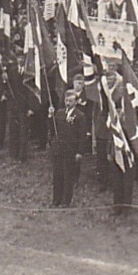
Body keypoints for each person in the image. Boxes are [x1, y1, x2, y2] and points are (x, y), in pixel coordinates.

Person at [51, 79, 92, 208]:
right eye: (66, 100)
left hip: (71, 149)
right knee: (57, 175)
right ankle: (56, 199)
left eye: (71, 101)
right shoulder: (59, 113)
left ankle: (66, 201)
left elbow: (82, 135)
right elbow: (53, 129)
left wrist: (80, 151)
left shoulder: (80, 116)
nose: (68, 103)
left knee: (68, 175)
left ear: (76, 102)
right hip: (58, 148)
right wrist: (49, 116)